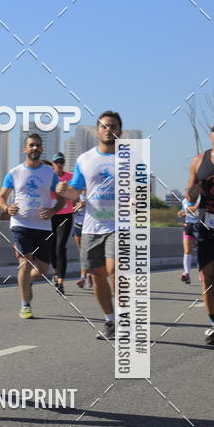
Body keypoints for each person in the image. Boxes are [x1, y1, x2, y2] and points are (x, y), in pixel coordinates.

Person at [56, 111, 120, 340]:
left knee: (115, 271)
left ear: (119, 131)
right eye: (104, 126)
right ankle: (111, 321)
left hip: (119, 225)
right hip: (92, 226)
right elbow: (76, 192)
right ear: (97, 131)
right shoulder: (85, 159)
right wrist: (65, 192)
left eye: (112, 126)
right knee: (98, 275)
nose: (108, 129)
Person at [0, 134, 65, 319]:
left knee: (43, 270)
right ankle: (25, 305)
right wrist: (6, 207)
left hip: (43, 226)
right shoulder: (14, 172)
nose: (35, 148)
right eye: (31, 145)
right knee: (25, 263)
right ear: (25, 149)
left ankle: (28, 284)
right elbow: (1, 197)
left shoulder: (50, 173)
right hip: (20, 224)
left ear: (42, 149)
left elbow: (61, 200)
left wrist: (52, 212)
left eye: (38, 146)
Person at [186, 120, 214, 344]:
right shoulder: (199, 160)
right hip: (207, 227)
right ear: (210, 135)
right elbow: (189, 195)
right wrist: (193, 192)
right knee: (208, 279)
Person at [49, 152, 75, 294]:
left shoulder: (70, 177)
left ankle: (60, 282)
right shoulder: (48, 176)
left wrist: (67, 191)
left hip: (66, 215)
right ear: (53, 163)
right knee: (52, 248)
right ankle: (55, 273)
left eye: (61, 161)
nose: (59, 164)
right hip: (51, 215)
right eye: (57, 161)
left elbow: (75, 195)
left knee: (60, 247)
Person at [177, 195, 200, 284]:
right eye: (187, 190)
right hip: (188, 226)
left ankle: (201, 272)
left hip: (200, 226)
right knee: (187, 251)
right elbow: (180, 212)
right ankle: (187, 274)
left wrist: (193, 209)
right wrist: (181, 213)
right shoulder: (184, 201)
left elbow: (195, 209)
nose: (188, 192)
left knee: (200, 251)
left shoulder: (200, 199)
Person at [72, 195, 93, 289]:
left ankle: (86, 276)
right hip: (79, 225)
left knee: (91, 252)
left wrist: (87, 205)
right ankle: (86, 275)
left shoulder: (96, 190)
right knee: (83, 253)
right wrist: (77, 206)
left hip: (92, 226)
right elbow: (71, 210)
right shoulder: (75, 192)